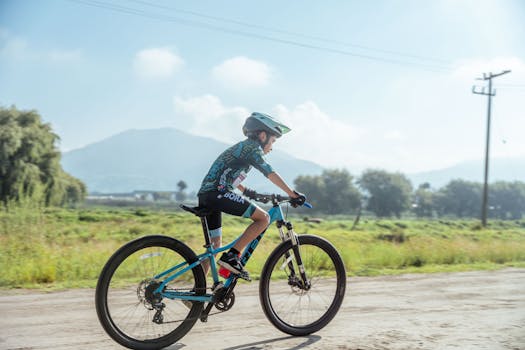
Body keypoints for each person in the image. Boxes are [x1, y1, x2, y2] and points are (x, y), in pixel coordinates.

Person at [197, 112, 306, 279]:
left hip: (208, 194)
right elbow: (269, 172)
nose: (272, 147)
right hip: (218, 193)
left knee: (214, 245)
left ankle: (199, 288)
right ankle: (232, 256)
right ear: (263, 135)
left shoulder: (244, 148)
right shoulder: (252, 148)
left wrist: (247, 192)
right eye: (273, 141)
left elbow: (228, 173)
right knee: (263, 218)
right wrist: (292, 194)